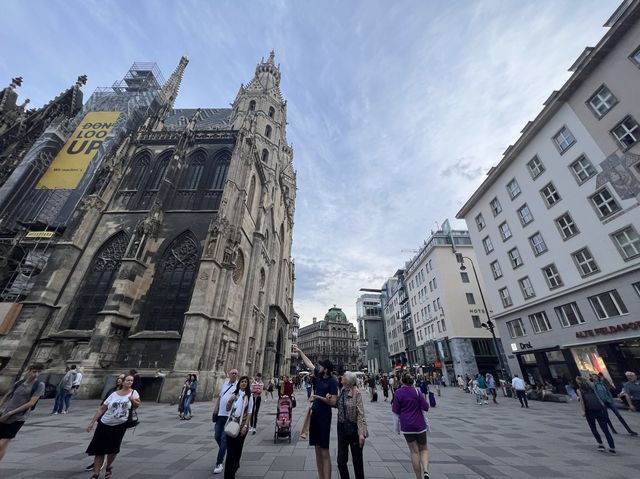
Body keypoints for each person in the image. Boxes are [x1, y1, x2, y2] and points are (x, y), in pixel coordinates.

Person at [294, 345, 338, 479]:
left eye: (321, 366)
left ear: (325, 369)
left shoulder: (332, 382)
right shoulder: (318, 376)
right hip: (315, 414)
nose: (318, 367)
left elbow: (333, 402)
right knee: (317, 450)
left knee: (324, 450)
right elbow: (309, 364)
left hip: (325, 416)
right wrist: (301, 351)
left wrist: (318, 397)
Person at [86, 374, 141, 478]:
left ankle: (109, 466)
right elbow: (102, 408)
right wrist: (92, 422)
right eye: (128, 380)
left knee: (113, 449)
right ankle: (96, 473)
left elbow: (137, 405)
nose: (130, 382)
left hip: (120, 425)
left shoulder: (134, 393)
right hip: (105, 423)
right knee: (99, 449)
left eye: (131, 380)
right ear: (123, 381)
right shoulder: (114, 394)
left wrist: (132, 400)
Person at [0, 364, 45, 462]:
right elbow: (7, 395)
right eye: (34, 371)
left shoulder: (39, 385)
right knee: (4, 444)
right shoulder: (19, 383)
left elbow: (31, 403)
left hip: (18, 418)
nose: (36, 374)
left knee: (3, 442)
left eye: (38, 372)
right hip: (4, 414)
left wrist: (11, 413)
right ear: (29, 371)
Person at [84, 373, 126, 472]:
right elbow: (103, 405)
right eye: (118, 378)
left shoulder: (128, 393)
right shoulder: (112, 391)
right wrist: (93, 421)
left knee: (112, 445)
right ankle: (98, 464)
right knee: (100, 443)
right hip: (104, 419)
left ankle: (108, 465)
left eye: (121, 379)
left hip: (117, 422)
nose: (119, 380)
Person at [392, 374, 430, 479]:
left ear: (402, 382)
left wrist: (396, 428)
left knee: (414, 451)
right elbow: (426, 407)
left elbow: (395, 412)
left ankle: (419, 477)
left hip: (407, 426)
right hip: (420, 425)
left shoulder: (398, 393)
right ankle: (426, 471)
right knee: (424, 449)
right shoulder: (417, 392)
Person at [336, 372, 368, 479]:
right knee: (341, 461)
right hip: (341, 429)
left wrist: (361, 434)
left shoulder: (356, 393)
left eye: (344, 376)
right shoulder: (342, 391)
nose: (342, 377)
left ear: (349, 381)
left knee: (357, 461)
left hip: (353, 430)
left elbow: (361, 414)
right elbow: (338, 405)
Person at [575, 376, 615, 454]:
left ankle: (600, 444)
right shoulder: (593, 387)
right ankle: (612, 447)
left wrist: (583, 411)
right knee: (605, 429)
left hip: (589, 411)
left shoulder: (579, 390)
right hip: (599, 409)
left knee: (593, 428)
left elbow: (582, 401)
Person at [224, 375, 253, 479]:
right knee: (230, 451)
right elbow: (227, 409)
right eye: (242, 382)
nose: (244, 383)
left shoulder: (249, 396)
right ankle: (228, 475)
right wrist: (230, 400)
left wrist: (246, 426)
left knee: (238, 449)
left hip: (242, 426)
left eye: (246, 382)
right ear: (239, 383)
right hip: (231, 424)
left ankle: (236, 465)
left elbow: (250, 412)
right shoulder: (234, 394)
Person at [212, 368, 238, 475]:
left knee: (223, 438)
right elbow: (220, 397)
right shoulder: (225, 384)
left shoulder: (238, 386)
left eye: (236, 373)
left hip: (229, 416)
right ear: (229, 374)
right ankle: (224, 449)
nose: (234, 375)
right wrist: (216, 408)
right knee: (217, 436)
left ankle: (219, 463)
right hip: (220, 414)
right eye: (232, 373)